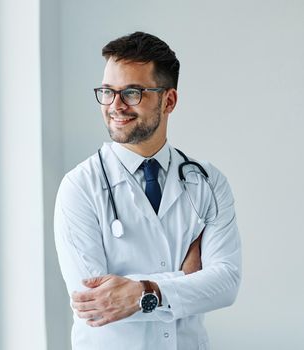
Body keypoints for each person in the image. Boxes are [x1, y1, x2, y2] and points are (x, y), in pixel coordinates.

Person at [54, 31, 241, 350]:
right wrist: (184, 281)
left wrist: (141, 292)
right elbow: (96, 304)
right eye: (107, 91)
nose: (115, 106)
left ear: (169, 100)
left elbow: (225, 284)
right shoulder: (80, 187)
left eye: (131, 92)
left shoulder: (207, 182)